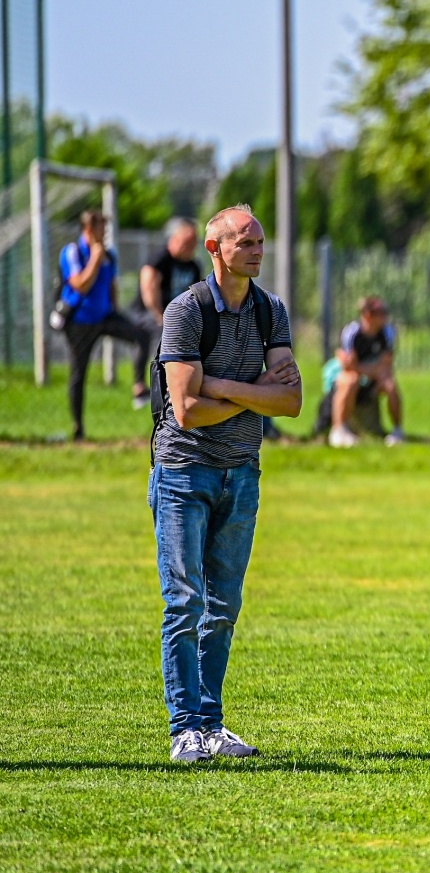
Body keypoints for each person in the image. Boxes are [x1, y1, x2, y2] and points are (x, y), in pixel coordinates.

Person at [151, 203, 301, 762]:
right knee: (185, 600)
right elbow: (185, 411)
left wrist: (222, 386)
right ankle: (185, 727)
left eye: (261, 240)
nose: (258, 249)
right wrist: (251, 389)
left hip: (242, 473)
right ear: (215, 249)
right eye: (245, 241)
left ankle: (211, 724)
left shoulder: (271, 311)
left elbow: (290, 401)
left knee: (223, 605)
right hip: (184, 474)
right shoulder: (185, 312)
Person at [59, 208, 156, 438]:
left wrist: (115, 309)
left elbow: (112, 285)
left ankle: (139, 386)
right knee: (78, 374)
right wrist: (94, 256)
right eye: (102, 227)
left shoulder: (109, 255)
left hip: (105, 316)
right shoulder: (73, 252)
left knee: (142, 335)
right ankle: (78, 428)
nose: (106, 232)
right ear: (89, 229)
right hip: (80, 321)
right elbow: (80, 284)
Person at [328, 296, 404, 448]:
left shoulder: (387, 332)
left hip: (372, 374)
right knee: (350, 381)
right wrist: (371, 370)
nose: (385, 316)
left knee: (390, 384)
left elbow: (387, 363)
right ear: (368, 315)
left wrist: (367, 370)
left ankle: (397, 431)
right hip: (352, 375)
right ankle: (338, 430)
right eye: (381, 313)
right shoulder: (352, 333)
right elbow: (347, 364)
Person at [139, 216, 204, 326]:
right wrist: (159, 316)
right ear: (174, 240)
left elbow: (196, 297)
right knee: (161, 334)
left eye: (193, 244)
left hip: (178, 316)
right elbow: (149, 290)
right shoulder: (159, 260)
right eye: (187, 243)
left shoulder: (194, 267)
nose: (191, 248)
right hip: (149, 314)